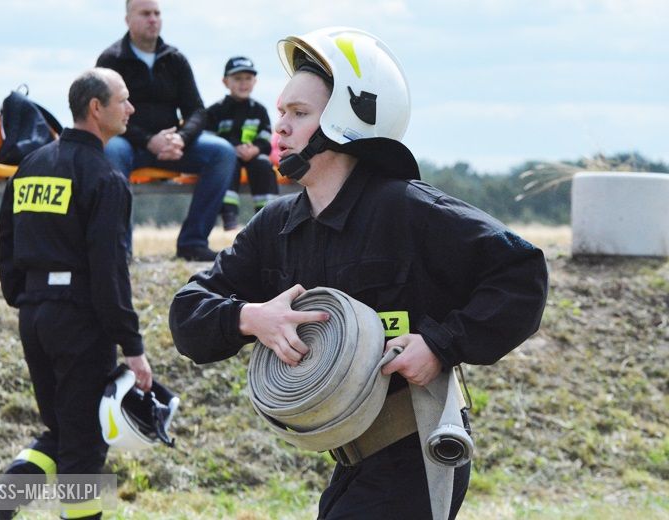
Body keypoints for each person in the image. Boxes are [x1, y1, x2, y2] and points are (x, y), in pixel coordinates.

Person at [168, 27, 549, 519]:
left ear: (347, 123)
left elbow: (521, 272)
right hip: (353, 463)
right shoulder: (275, 226)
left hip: (418, 452)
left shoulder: (410, 211)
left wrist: (440, 345)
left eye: (299, 113)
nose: (279, 127)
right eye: (281, 111)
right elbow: (187, 313)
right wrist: (251, 318)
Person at [0, 68, 153, 520]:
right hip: (79, 323)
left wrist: (27, 296)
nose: (130, 109)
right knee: (84, 444)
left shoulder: (31, 165)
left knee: (63, 429)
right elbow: (110, 271)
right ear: (96, 108)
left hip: (34, 315)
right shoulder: (105, 177)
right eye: (123, 100)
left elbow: (6, 242)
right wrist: (132, 346)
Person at [96, 0, 235, 261]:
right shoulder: (111, 60)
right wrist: (149, 140)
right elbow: (106, 113)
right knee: (111, 151)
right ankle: (121, 250)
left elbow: (197, 111)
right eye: (145, 14)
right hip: (129, 144)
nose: (153, 19)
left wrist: (181, 138)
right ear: (128, 20)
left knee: (223, 152)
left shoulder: (175, 59)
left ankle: (193, 243)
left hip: (174, 146)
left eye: (157, 13)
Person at [206, 56, 279, 231]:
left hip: (253, 155)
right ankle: (229, 215)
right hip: (227, 156)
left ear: (255, 81)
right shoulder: (215, 110)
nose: (243, 83)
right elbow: (209, 139)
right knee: (227, 164)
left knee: (263, 164)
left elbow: (266, 140)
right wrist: (233, 148)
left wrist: (255, 149)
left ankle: (268, 216)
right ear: (225, 82)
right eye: (238, 78)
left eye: (248, 78)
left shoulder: (259, 110)